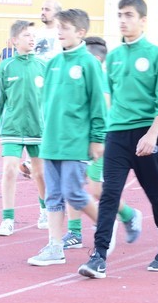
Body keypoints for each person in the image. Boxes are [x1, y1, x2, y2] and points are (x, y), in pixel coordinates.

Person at [79, 0, 158, 278]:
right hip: (117, 135)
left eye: (129, 15)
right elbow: (108, 99)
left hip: (149, 134)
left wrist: (152, 135)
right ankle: (99, 255)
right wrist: (99, 135)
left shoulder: (156, 55)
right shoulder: (113, 57)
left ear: (143, 20)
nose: (123, 20)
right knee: (109, 193)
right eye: (120, 15)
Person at [27, 9, 105, 266]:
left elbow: (98, 104)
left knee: (74, 192)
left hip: (76, 142)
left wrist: (97, 138)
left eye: (65, 28)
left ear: (80, 32)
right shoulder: (53, 63)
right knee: (53, 196)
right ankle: (55, 246)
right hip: (51, 142)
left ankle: (106, 226)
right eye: (58, 27)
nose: (59, 32)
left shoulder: (89, 63)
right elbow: (45, 104)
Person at [61, 36, 143, 250]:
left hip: (101, 140)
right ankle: (75, 232)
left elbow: (104, 108)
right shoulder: (79, 76)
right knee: (73, 185)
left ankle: (128, 215)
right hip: (78, 140)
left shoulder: (102, 78)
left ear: (96, 59)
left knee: (97, 190)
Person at [0, 20, 48, 237]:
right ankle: (7, 219)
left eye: (33, 35)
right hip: (12, 128)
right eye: (26, 35)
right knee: (9, 170)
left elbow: (51, 99)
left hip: (38, 128)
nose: (32, 39)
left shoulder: (43, 66)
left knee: (40, 173)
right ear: (14, 40)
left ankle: (45, 211)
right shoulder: (6, 67)